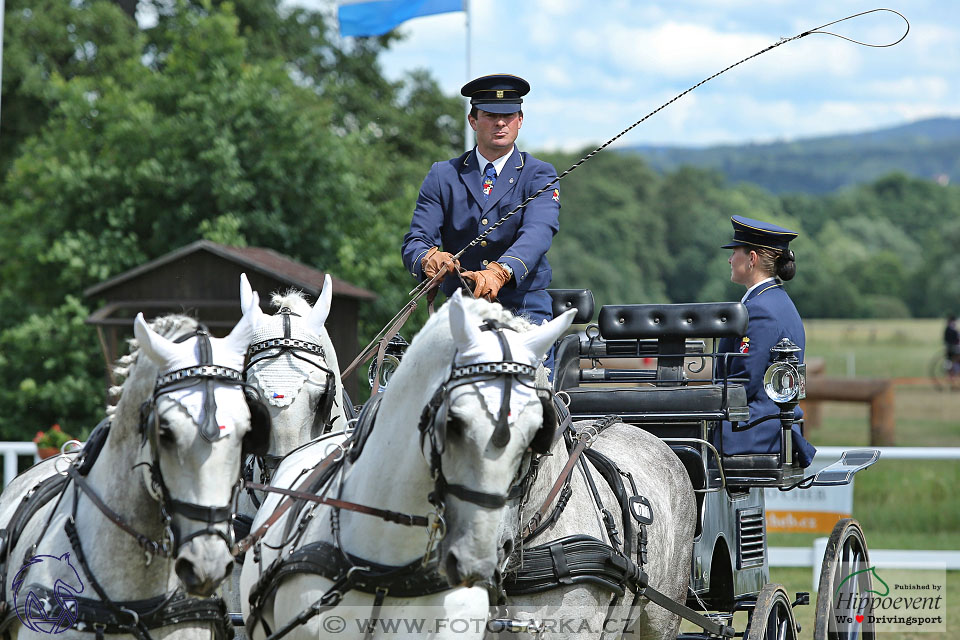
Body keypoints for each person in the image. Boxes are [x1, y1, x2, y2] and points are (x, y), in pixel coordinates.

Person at [401, 74, 561, 370]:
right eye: (490, 115)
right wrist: (427, 259)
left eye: (508, 115)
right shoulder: (443, 175)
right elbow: (416, 240)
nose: (500, 123)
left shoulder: (539, 174)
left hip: (523, 307)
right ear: (473, 120)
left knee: (536, 390)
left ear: (520, 120)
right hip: (462, 309)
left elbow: (538, 232)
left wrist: (502, 271)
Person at [715, 215, 817, 468]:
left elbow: (744, 383)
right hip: (766, 427)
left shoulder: (759, 309)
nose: (730, 259)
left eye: (735, 252)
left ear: (752, 259)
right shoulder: (776, 300)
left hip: (751, 431)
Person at [945, 315, 960, 383]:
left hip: (951, 348)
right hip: (952, 349)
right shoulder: (950, 330)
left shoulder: (949, 329)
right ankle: (953, 374)